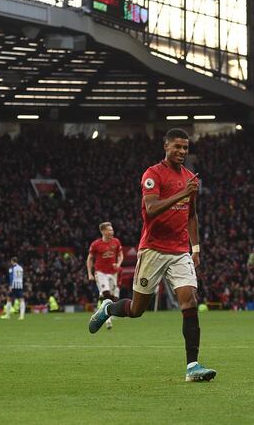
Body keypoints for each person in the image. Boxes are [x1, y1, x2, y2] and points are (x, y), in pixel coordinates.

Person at [88, 128, 216, 382]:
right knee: (137, 310)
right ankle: (109, 308)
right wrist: (183, 193)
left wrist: (196, 247)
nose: (181, 151)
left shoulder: (190, 177)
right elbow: (152, 208)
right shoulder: (153, 174)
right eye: (177, 147)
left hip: (180, 251)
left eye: (186, 148)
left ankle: (193, 366)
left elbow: (192, 215)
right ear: (166, 146)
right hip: (154, 249)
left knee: (189, 301)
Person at [87, 221, 124, 330]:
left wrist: (118, 264)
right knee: (106, 294)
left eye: (112, 229)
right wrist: (89, 273)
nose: (112, 231)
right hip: (101, 273)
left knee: (112, 297)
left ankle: (99, 313)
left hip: (113, 273)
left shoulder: (116, 242)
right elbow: (89, 258)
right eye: (109, 229)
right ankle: (107, 319)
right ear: (103, 231)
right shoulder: (96, 244)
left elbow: (121, 255)